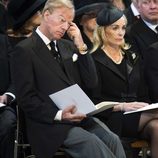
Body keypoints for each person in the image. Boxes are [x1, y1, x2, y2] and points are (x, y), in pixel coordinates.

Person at [10, 0, 126, 158]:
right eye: (62, 20)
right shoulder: (24, 50)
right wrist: (59, 115)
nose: (65, 27)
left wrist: (81, 45)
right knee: (91, 143)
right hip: (49, 124)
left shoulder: (68, 46)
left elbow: (92, 83)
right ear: (46, 15)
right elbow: (26, 99)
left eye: (69, 22)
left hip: (78, 117)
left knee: (112, 139)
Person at [90, 6, 158, 158]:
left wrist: (145, 105)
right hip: (112, 117)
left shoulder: (132, 56)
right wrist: (121, 106)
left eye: (123, 27)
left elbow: (143, 92)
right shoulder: (93, 59)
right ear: (103, 30)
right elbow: (94, 100)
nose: (121, 32)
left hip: (137, 114)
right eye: (115, 28)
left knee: (157, 127)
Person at [0, 33, 16, 158]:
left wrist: (7, 95)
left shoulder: (3, 41)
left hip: (3, 105)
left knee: (7, 122)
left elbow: (17, 77)